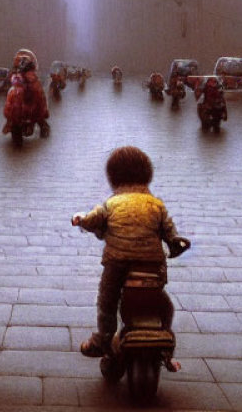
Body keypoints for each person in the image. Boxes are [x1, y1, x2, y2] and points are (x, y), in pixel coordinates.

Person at [71, 145, 182, 357]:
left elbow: (92, 220)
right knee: (163, 302)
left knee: (107, 301)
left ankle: (102, 340)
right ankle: (165, 334)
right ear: (147, 175)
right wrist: (175, 244)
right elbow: (170, 232)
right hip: (151, 266)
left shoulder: (111, 203)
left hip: (117, 264)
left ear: (113, 177)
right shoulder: (156, 205)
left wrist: (80, 220)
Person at [2, 48, 50, 137]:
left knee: (39, 103)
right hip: (19, 100)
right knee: (12, 100)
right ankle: (11, 122)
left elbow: (38, 93)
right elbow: (12, 81)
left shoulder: (32, 77)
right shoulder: (16, 76)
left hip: (31, 100)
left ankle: (42, 125)